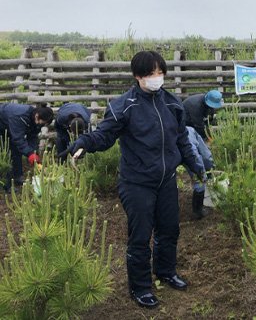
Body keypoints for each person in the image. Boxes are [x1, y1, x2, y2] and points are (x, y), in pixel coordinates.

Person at [64, 51, 204, 309]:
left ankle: (165, 271)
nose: (157, 78)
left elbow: (181, 138)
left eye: (160, 73)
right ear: (137, 76)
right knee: (140, 236)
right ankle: (140, 287)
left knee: (170, 229)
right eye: (151, 74)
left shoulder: (172, 104)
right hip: (137, 182)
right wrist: (83, 142)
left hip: (166, 180)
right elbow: (104, 136)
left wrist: (195, 163)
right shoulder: (124, 106)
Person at [0, 103, 53, 191]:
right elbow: (18, 139)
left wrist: (33, 153)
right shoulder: (19, 116)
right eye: (41, 122)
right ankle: (7, 185)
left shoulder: (36, 120)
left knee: (16, 150)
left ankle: (17, 177)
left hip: (9, 127)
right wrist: (29, 153)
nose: (41, 125)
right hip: (2, 124)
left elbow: (32, 137)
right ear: (37, 116)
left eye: (43, 124)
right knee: (7, 155)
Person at [184, 126, 214, 220]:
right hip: (189, 151)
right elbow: (205, 156)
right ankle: (198, 211)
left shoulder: (166, 128)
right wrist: (209, 169)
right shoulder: (191, 131)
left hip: (171, 151)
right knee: (200, 178)